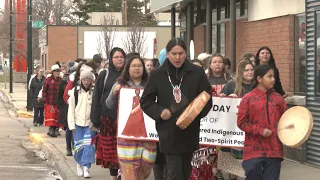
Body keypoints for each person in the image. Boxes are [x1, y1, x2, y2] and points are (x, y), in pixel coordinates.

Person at [140, 38, 213, 180]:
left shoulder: (196, 72)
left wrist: (194, 115)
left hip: (189, 130)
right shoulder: (157, 74)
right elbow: (146, 101)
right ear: (167, 54)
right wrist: (160, 111)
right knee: (174, 173)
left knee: (186, 172)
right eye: (174, 53)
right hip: (168, 130)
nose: (177, 57)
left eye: (181, 53)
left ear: (186, 54)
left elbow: (207, 99)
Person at [106, 55, 156, 179]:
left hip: (147, 134)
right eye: (133, 66)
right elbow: (109, 104)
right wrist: (114, 93)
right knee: (128, 170)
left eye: (139, 66)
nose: (137, 68)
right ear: (128, 68)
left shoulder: (151, 84)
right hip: (127, 135)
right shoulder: (120, 84)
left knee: (147, 163)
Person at [237, 64, 287, 180]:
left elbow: (286, 120)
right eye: (269, 76)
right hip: (253, 150)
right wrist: (260, 130)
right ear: (259, 79)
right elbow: (241, 122)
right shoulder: (248, 98)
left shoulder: (278, 98)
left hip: (275, 150)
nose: (273, 79)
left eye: (273, 76)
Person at [91, 47, 126, 180]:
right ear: (111, 59)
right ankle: (113, 176)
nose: (119, 59)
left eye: (121, 57)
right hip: (108, 118)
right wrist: (95, 118)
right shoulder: (104, 74)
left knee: (124, 149)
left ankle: (122, 174)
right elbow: (97, 96)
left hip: (125, 118)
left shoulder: (128, 74)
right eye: (116, 57)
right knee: (111, 151)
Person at [219, 60, 255, 180]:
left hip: (252, 130)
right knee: (233, 168)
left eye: (252, 69)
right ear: (241, 72)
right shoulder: (231, 85)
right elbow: (220, 104)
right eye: (246, 70)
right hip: (233, 130)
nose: (250, 72)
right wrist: (227, 98)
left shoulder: (258, 86)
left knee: (251, 166)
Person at [68, 70, 96, 178]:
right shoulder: (75, 91)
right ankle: (79, 164)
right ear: (81, 80)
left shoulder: (94, 91)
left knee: (88, 146)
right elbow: (71, 109)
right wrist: (71, 125)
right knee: (79, 146)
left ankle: (86, 168)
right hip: (78, 123)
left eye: (88, 79)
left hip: (90, 124)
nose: (86, 81)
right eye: (84, 79)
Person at [57, 61, 78, 156]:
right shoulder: (66, 80)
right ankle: (68, 147)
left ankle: (75, 145)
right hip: (68, 107)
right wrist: (65, 104)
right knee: (69, 127)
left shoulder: (83, 80)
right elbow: (63, 94)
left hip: (79, 107)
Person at [42, 64, 62, 137]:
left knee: (56, 117)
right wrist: (45, 100)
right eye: (56, 71)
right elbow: (44, 90)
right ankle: (51, 130)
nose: (57, 72)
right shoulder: (48, 80)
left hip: (57, 102)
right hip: (49, 102)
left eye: (58, 71)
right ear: (52, 72)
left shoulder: (60, 80)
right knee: (51, 117)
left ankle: (55, 130)